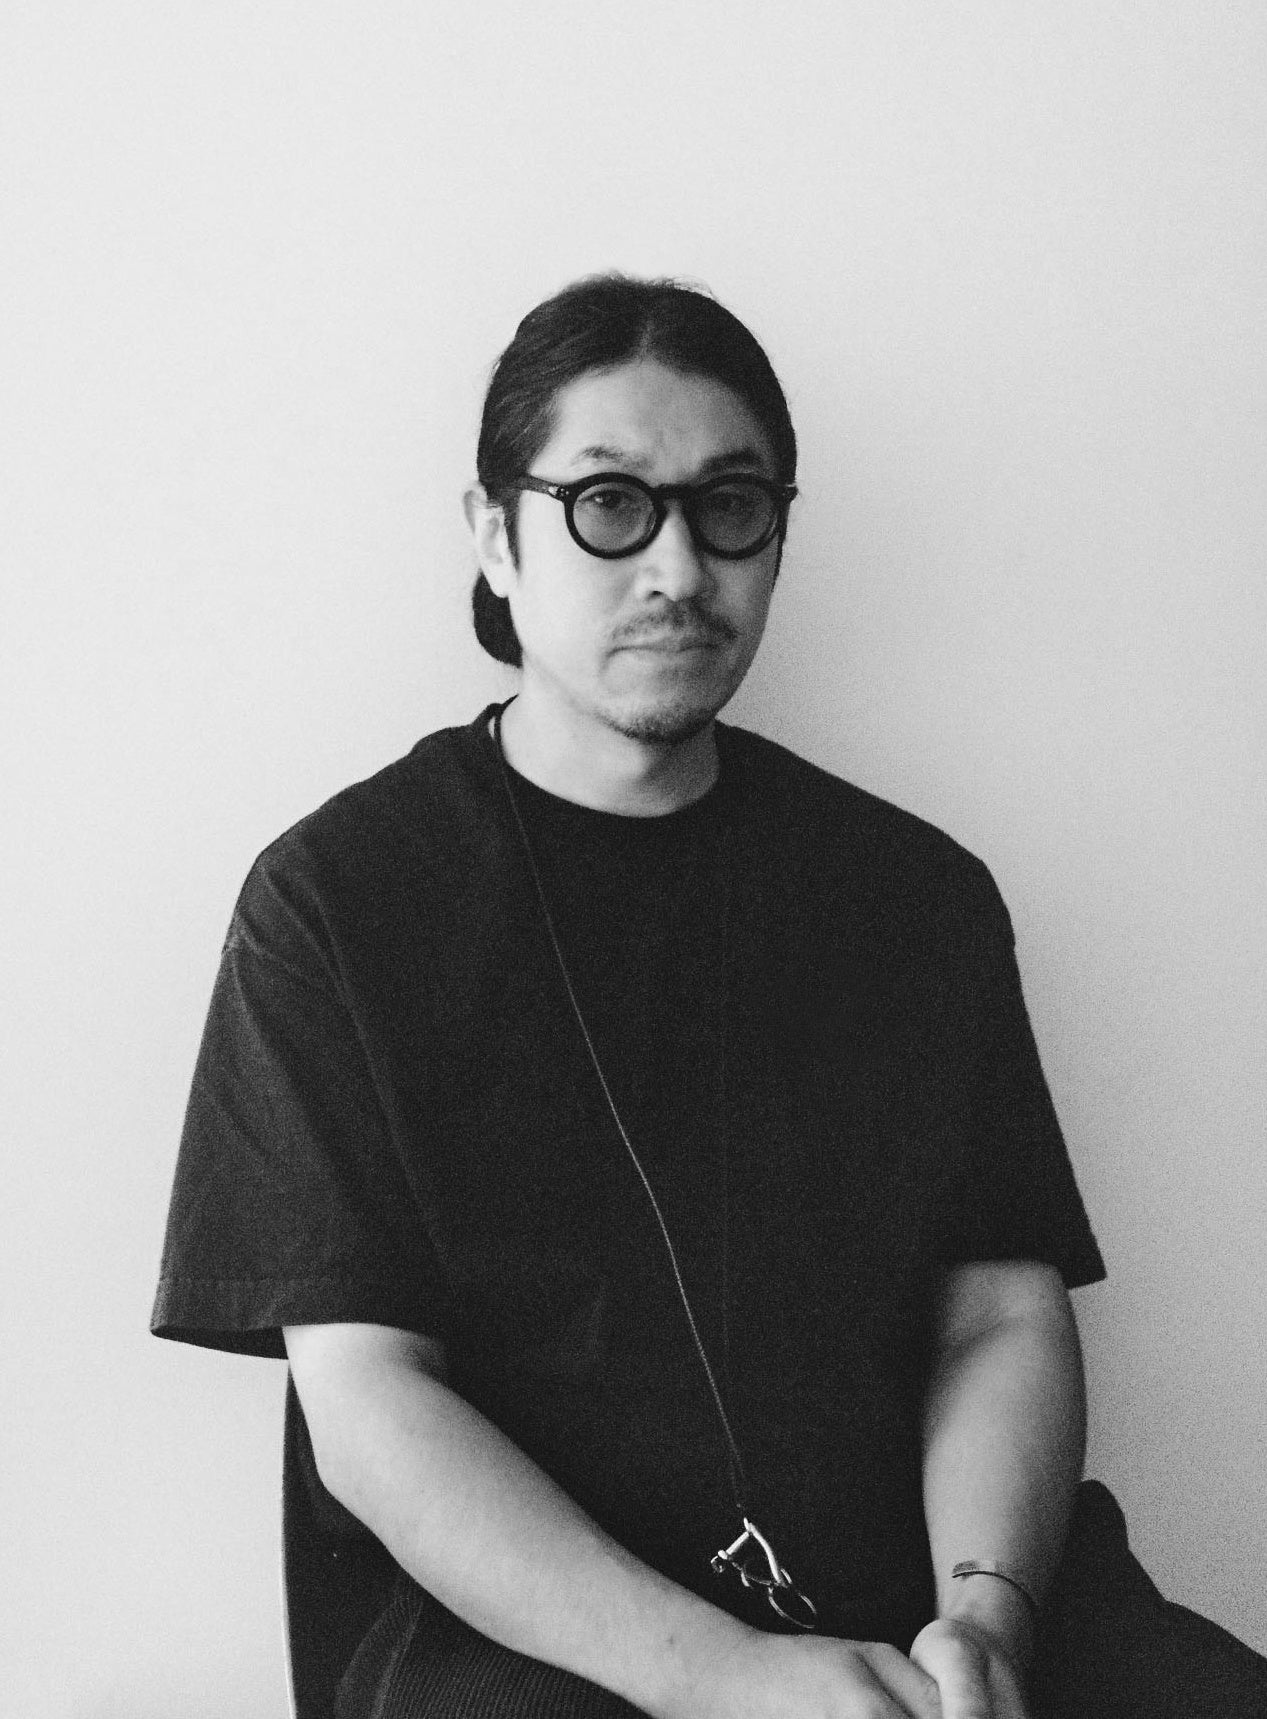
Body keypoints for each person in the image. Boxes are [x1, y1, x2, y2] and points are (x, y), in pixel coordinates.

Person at [152, 275, 1263, 1719]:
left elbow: (998, 1312)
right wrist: (724, 1680)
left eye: (730, 506)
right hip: (533, 1638)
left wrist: (985, 1621)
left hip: (934, 1596)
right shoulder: (337, 905)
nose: (678, 568)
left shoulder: (914, 896)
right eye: (609, 504)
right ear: (493, 533)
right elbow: (368, 1408)